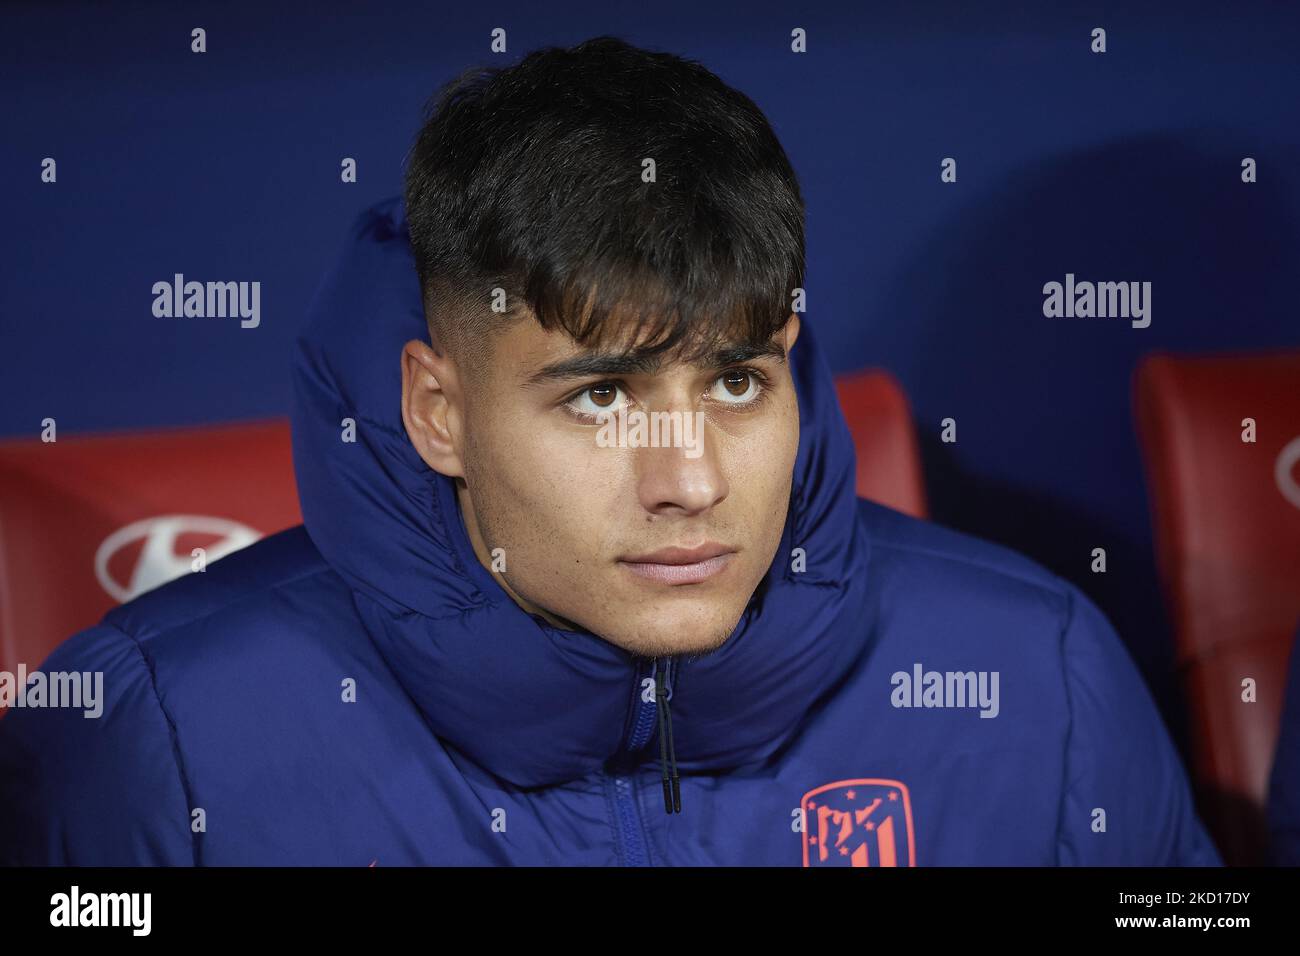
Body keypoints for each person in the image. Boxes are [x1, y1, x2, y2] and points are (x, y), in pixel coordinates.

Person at [0, 35, 1221, 866]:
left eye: (737, 380)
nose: (688, 479)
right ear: (437, 410)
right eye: (597, 400)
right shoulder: (154, 734)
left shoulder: (1042, 675)